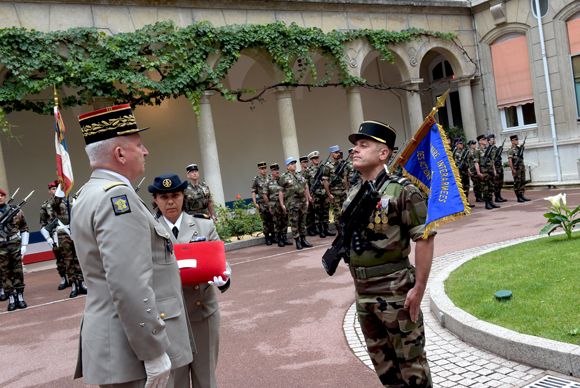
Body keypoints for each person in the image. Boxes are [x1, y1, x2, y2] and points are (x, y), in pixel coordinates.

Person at [71, 104, 194, 387]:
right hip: (132, 353)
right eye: (139, 145)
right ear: (120, 154)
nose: (146, 151)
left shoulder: (89, 192)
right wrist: (153, 352)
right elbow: (128, 282)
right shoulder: (117, 200)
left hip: (117, 345)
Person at [345, 120, 435, 388]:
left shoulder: (402, 190)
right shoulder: (353, 194)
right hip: (364, 293)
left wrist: (419, 288)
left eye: (364, 145)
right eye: (355, 146)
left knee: (412, 368)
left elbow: (425, 238)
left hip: (395, 291)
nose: (355, 150)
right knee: (386, 370)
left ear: (383, 154)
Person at [150, 174, 231, 388]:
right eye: (163, 196)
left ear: (183, 196)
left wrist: (223, 279)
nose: (170, 201)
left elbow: (219, 258)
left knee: (206, 377)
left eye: (175, 195)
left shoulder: (202, 225)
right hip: (168, 316)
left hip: (203, 311)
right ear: (155, 200)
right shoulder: (148, 231)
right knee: (174, 381)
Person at [40, 180, 87, 297]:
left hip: (74, 232)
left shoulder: (73, 200)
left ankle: (81, 282)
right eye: (53, 188)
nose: (56, 190)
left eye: (58, 188)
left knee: (78, 258)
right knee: (68, 260)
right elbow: (43, 223)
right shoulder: (52, 203)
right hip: (61, 233)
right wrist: (48, 238)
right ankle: (73, 283)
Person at [0, 188, 29, 311]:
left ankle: (20, 296)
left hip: (14, 244)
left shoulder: (16, 211)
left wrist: (24, 246)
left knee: (17, 271)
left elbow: (24, 228)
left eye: (2, 195)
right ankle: (11, 297)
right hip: (1, 246)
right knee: (4, 273)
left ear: (5, 197)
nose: (0, 198)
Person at [279, 157, 312, 250]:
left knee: (302, 222)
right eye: (292, 163)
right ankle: (297, 241)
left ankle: (303, 239)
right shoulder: (284, 177)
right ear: (287, 166)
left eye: (294, 163)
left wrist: (307, 200)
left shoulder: (300, 175)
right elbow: (281, 191)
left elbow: (306, 187)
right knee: (294, 222)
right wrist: (282, 204)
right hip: (292, 203)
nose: (294, 165)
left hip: (302, 202)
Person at [305, 151, 334, 238]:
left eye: (317, 158)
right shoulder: (308, 171)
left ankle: (326, 228)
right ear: (311, 160)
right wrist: (309, 196)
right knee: (318, 213)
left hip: (324, 193)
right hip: (315, 194)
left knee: (325, 212)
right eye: (314, 158)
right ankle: (321, 230)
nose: (317, 159)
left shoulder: (323, 168)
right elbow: (306, 184)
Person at [264, 163, 292, 248]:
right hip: (274, 204)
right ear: (271, 172)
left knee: (285, 221)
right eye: (274, 170)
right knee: (277, 222)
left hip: (283, 204)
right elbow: (265, 195)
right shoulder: (268, 183)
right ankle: (279, 238)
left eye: (277, 170)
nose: (277, 171)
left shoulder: (282, 181)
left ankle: (284, 237)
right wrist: (269, 206)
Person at [322, 145, 347, 232]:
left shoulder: (342, 164)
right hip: (335, 193)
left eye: (338, 152)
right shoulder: (327, 166)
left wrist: (347, 190)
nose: (338, 154)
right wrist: (329, 194)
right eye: (336, 153)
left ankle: (346, 228)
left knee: (345, 211)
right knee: (337, 213)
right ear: (331, 154)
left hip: (343, 192)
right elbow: (325, 181)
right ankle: (339, 230)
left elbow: (346, 178)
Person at [250, 162, 275, 245]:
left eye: (265, 168)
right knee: (265, 220)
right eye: (262, 169)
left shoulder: (270, 177)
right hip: (262, 202)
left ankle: (274, 236)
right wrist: (255, 203)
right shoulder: (256, 179)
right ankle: (267, 237)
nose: (264, 170)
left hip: (271, 201)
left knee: (273, 219)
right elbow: (253, 191)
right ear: (259, 170)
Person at [473, 134, 499, 210]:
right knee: (485, 188)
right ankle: (487, 202)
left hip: (490, 171)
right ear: (480, 141)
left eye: (485, 139)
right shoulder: (477, 151)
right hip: (484, 172)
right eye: (484, 140)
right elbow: (476, 162)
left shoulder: (488, 149)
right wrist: (478, 173)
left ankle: (491, 201)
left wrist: (494, 170)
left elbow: (492, 160)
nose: (485, 141)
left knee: (491, 187)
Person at [508, 134, 531, 202]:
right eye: (515, 140)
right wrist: (512, 169)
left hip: (521, 168)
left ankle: (522, 195)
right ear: (512, 141)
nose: (517, 141)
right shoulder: (511, 150)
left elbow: (521, 158)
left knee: (522, 182)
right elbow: (510, 160)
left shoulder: (519, 149)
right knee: (517, 182)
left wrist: (523, 166)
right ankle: (518, 196)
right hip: (516, 168)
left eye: (517, 140)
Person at [453, 138, 474, 207]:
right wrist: (458, 174)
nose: (462, 145)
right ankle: (461, 204)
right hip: (460, 172)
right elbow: (456, 165)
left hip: (465, 171)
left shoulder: (464, 152)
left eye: (462, 143)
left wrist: (469, 170)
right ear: (456, 144)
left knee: (466, 187)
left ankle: (466, 201)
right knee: (461, 188)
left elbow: (466, 162)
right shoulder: (455, 153)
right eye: (460, 143)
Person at [490, 134, 506, 203]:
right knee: (496, 183)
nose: (494, 140)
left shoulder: (496, 148)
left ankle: (499, 196)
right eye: (492, 139)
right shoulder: (489, 149)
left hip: (499, 167)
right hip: (495, 168)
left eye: (494, 139)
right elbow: (491, 160)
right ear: (489, 141)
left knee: (500, 182)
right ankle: (497, 197)